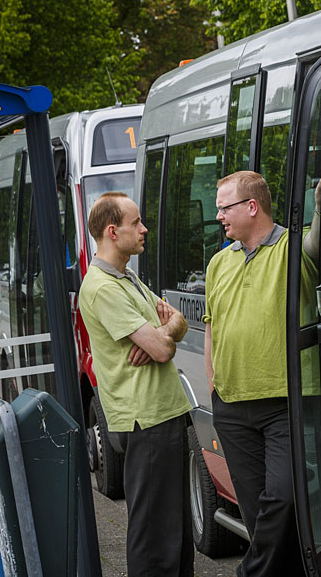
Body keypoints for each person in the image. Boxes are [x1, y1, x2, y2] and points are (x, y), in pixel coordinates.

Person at [204, 170, 321, 577]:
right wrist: (214, 387)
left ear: (252, 206)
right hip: (231, 406)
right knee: (258, 510)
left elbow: (320, 234)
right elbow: (212, 326)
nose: (219, 217)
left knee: (283, 499)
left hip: (286, 402)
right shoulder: (218, 263)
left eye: (224, 208)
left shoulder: (294, 248)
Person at [78, 191, 194, 577]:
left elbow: (177, 323)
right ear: (113, 231)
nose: (144, 229)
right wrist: (162, 336)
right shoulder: (102, 288)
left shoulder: (126, 277)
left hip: (164, 414)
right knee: (153, 536)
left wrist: (163, 332)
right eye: (136, 223)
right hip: (145, 421)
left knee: (175, 531)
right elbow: (163, 347)